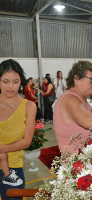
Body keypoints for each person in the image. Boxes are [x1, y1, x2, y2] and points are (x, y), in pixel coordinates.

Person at [53, 60, 92, 153]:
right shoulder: (69, 98)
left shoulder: (80, 98)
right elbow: (88, 121)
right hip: (77, 164)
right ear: (76, 79)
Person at [0, 59, 36, 199]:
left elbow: (26, 142)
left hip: (13, 170)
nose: (11, 87)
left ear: (21, 81)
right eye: (5, 81)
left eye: (15, 81)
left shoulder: (29, 107)